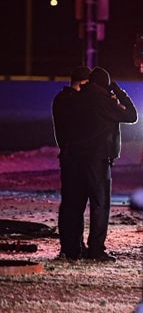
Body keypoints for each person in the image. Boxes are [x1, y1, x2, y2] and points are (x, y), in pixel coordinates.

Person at [54, 66, 138, 262]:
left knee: (73, 205)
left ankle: (72, 250)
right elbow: (132, 115)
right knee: (100, 204)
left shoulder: (72, 99)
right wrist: (118, 92)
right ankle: (96, 250)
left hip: (73, 159)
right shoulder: (103, 101)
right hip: (97, 160)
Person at [52, 65, 92, 261]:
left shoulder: (62, 99)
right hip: (74, 158)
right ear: (83, 82)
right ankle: (71, 247)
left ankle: (73, 246)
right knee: (73, 205)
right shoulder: (72, 101)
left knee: (72, 204)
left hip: (69, 157)